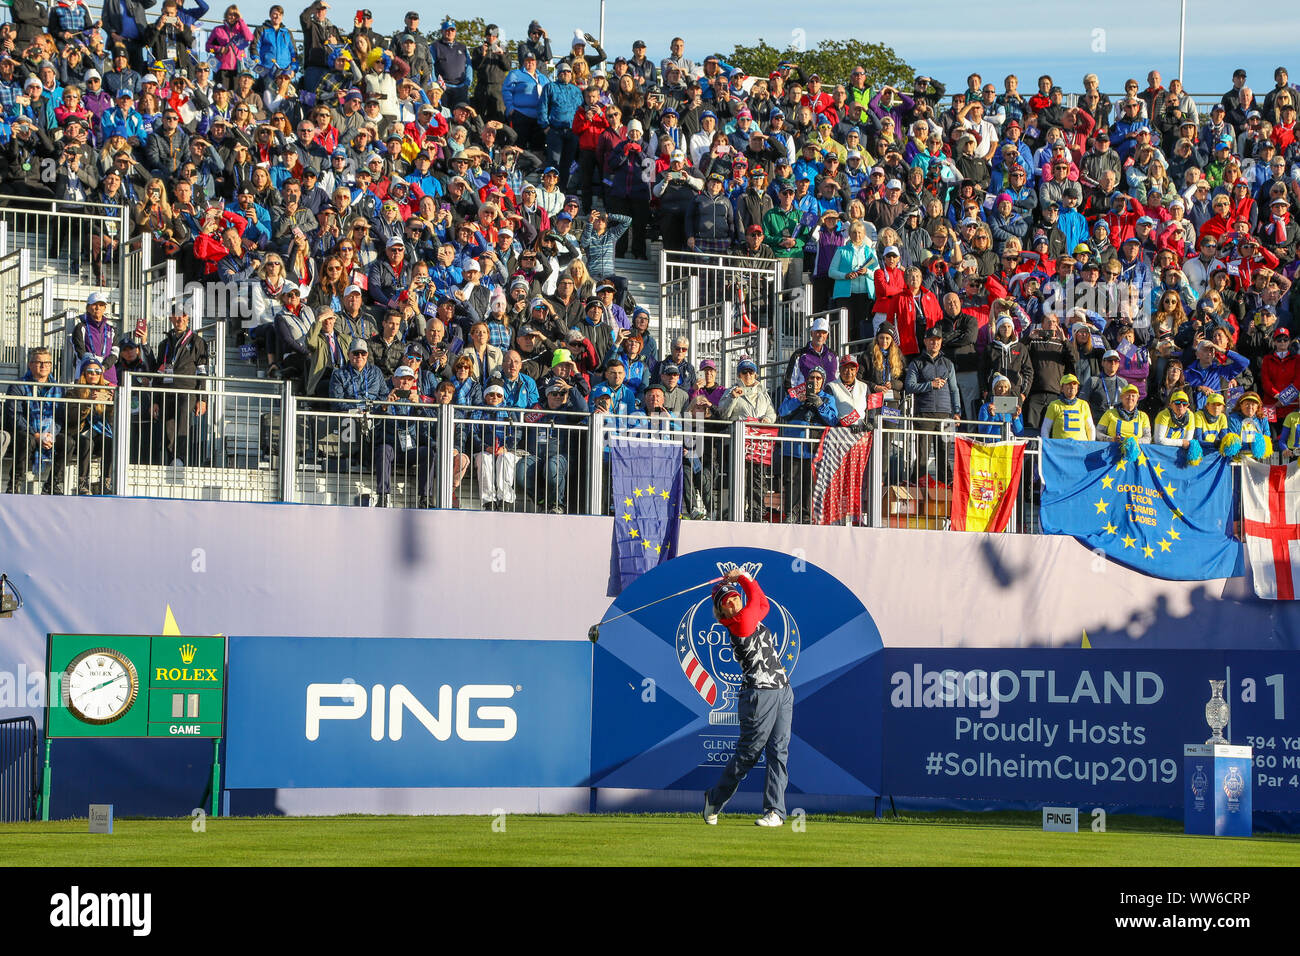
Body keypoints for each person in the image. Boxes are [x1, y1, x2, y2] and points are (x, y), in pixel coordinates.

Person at [702, 566, 793, 828]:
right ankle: (715, 798)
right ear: (721, 613)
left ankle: (775, 811)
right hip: (758, 695)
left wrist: (743, 579)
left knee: (779, 752)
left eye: (733, 596)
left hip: (782, 690)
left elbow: (762, 603)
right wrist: (742, 577)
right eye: (726, 602)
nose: (732, 601)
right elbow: (756, 600)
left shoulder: (749, 615)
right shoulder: (739, 624)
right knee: (749, 754)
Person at [1040, 374, 1096, 440]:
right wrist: (1047, 445)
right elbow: (1045, 428)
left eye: (1074, 384)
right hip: (1061, 447)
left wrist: (1090, 445)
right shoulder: (1054, 405)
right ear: (1062, 388)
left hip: (1080, 447)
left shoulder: (1083, 404)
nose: (1072, 386)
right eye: (1068, 384)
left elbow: (1090, 428)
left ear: (1078, 388)